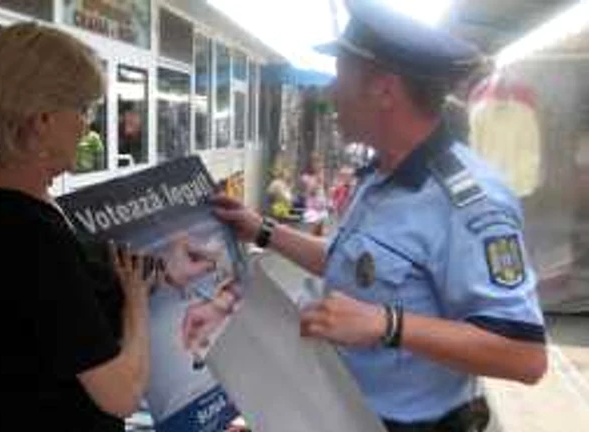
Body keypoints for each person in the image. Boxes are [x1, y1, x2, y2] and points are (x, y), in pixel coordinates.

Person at [212, 3, 547, 431]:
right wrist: (260, 228)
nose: (332, 93)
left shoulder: (471, 202)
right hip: (338, 408)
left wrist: (386, 325)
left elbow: (525, 355)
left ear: (385, 91)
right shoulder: (380, 175)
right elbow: (351, 264)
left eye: (340, 75)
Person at [0, 23, 156, 431]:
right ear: (43, 120)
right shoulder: (35, 236)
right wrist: (136, 304)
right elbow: (122, 396)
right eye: (84, 109)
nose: (88, 126)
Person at [300, 152, 329, 236]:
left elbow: (323, 191)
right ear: (311, 164)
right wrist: (317, 178)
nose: (318, 165)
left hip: (322, 207)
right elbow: (311, 191)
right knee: (311, 234)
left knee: (320, 234)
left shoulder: (321, 175)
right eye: (316, 162)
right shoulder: (306, 176)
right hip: (312, 208)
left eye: (320, 162)